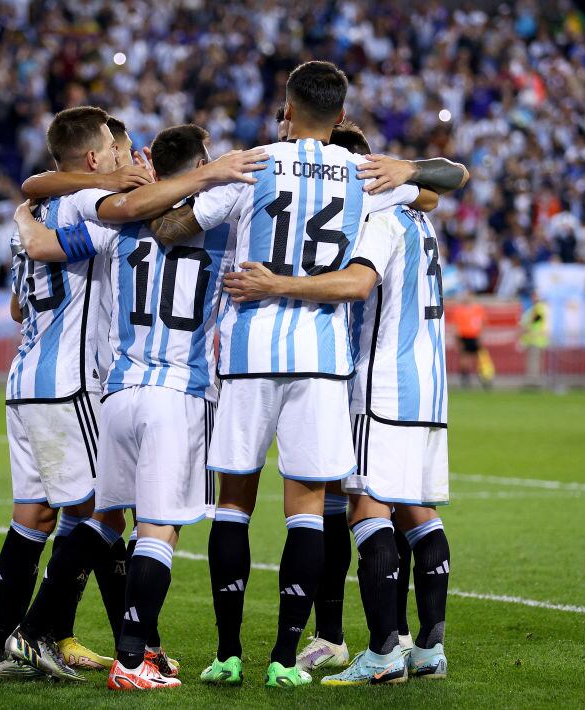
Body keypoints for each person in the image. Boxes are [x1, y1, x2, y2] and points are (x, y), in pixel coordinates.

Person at [144, 60, 450, 689]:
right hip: (320, 359)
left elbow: (169, 229)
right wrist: (407, 170)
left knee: (233, 504)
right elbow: (444, 186)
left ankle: (228, 653)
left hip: (251, 350)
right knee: (307, 510)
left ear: (285, 106)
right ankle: (286, 658)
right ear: (341, 117)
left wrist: (203, 180)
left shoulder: (252, 164)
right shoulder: (362, 175)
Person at [4, 112, 268, 683]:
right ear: (200, 170)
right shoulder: (226, 225)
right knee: (159, 529)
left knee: (102, 518)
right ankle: (133, 657)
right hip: (180, 391)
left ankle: (30, 631)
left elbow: (46, 243)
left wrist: (24, 222)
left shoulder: (118, 224)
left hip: (119, 390)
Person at [221, 118, 466, 685]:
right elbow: (446, 179)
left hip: (377, 380)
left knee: (364, 508)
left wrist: (275, 283)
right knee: (416, 510)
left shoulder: (378, 219)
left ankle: (380, 652)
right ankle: (427, 648)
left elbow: (356, 285)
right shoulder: (420, 217)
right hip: (426, 380)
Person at [0, 105, 125, 681]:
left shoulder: (37, 208)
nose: (124, 162)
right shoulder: (84, 203)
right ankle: (46, 636)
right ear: (94, 157)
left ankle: (5, 649)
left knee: (34, 518)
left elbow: (18, 305)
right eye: (116, 153)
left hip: (25, 378)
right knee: (107, 509)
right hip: (68, 382)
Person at [519, 292, 549, 386]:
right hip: (535, 338)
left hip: (535, 338)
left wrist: (525, 327)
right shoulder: (538, 307)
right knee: (535, 362)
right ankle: (534, 381)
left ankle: (533, 382)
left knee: (534, 362)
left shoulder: (538, 307)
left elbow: (534, 319)